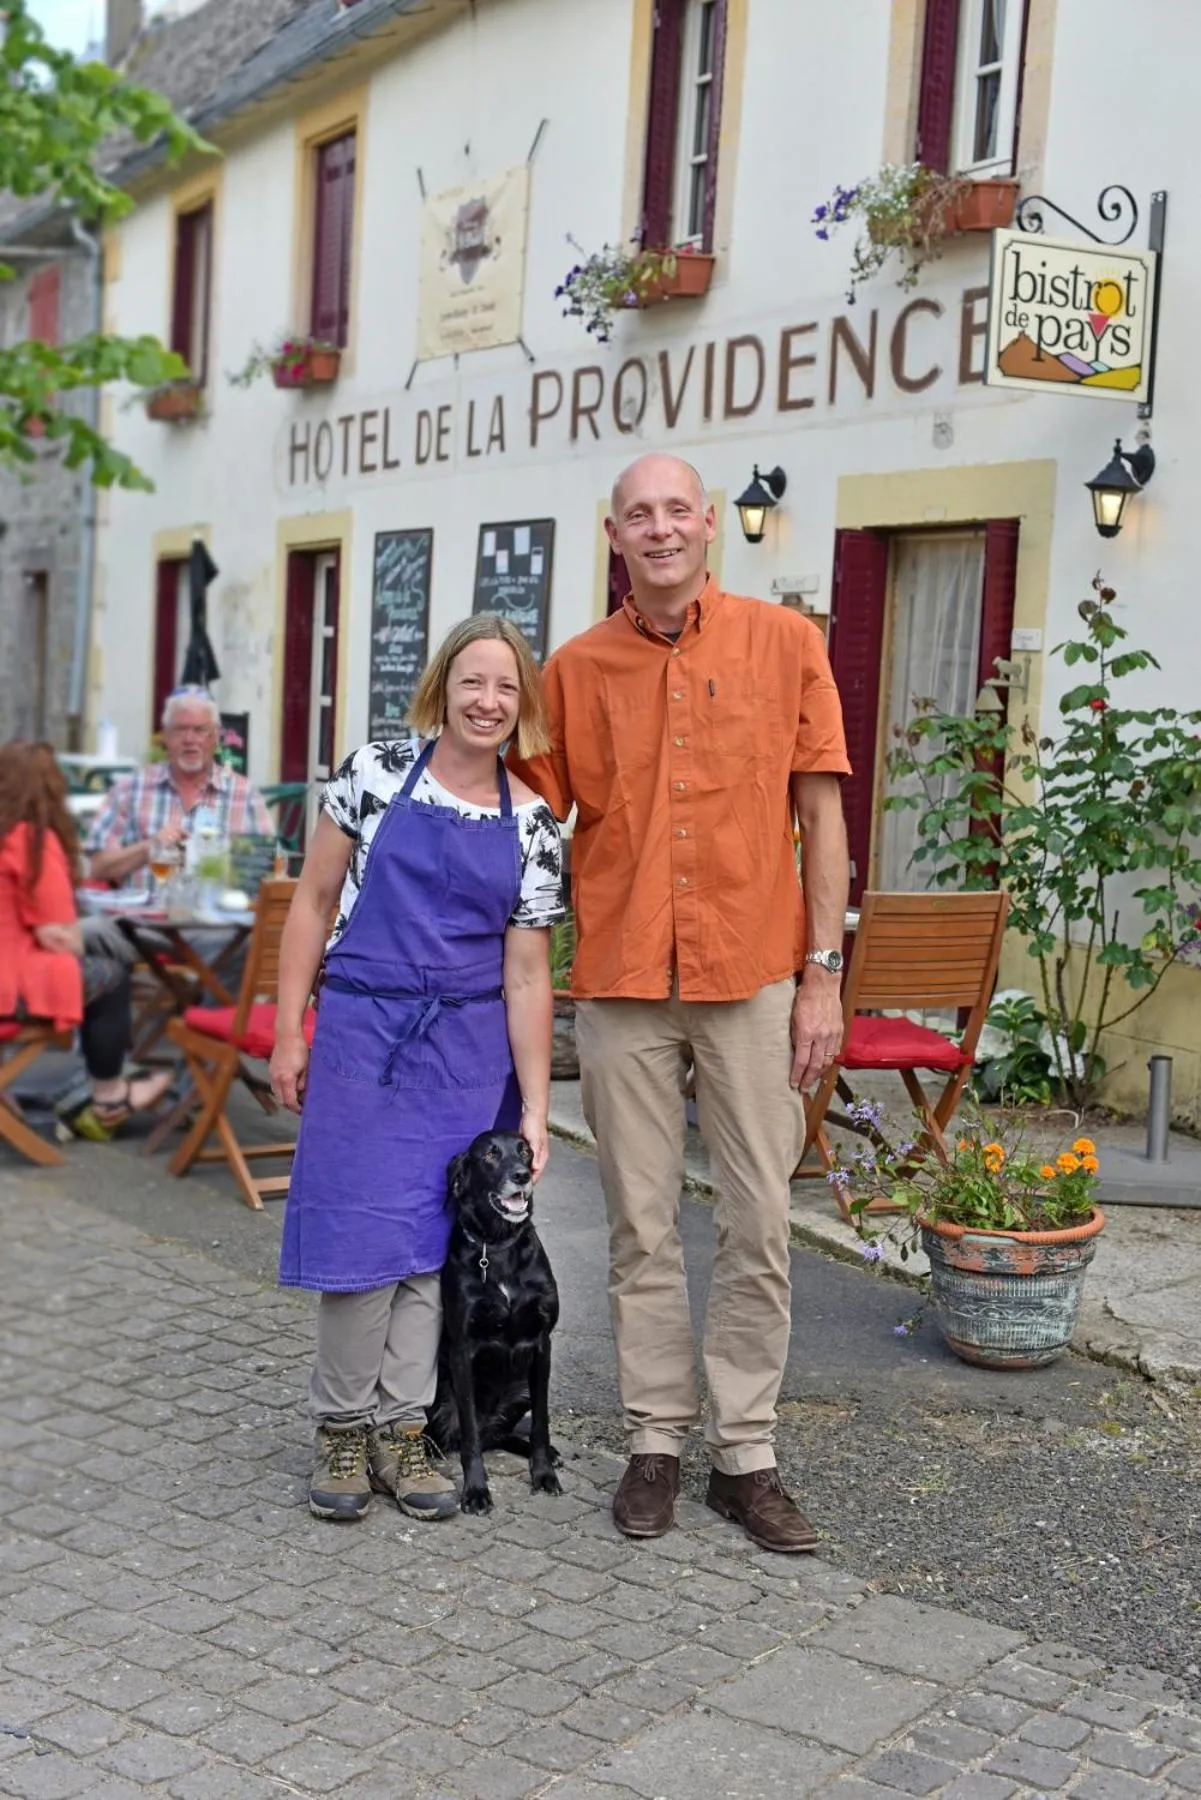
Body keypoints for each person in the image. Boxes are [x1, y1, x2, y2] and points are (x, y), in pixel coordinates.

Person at [508, 453, 851, 1554]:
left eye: (675, 511)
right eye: (637, 515)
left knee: (758, 1216)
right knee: (639, 1224)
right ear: (613, 533)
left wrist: (822, 973)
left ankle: (743, 1454)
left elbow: (823, 817)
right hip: (619, 979)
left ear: (709, 525)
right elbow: (524, 818)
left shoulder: (787, 646)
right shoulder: (573, 669)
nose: (658, 529)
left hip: (752, 973)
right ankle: (655, 1438)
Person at [270, 617, 565, 1524]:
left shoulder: (534, 825)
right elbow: (313, 900)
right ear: (442, 687)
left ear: (523, 707)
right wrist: (289, 1031)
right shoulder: (369, 774)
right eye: (473, 682)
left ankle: (406, 1431)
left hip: (467, 1058)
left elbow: (526, 974)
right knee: (360, 1243)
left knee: (436, 1247)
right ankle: (342, 1428)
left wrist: (537, 1109)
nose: (488, 702)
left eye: (507, 688)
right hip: (363, 1036)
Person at [0, 741, 174, 1132]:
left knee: (99, 957)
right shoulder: (30, 842)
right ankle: (109, 1095)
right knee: (110, 974)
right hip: (9, 984)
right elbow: (58, 938)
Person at [86, 685, 273, 892]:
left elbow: (266, 870)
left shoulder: (245, 795)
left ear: (216, 737)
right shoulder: (130, 789)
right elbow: (98, 867)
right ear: (165, 736)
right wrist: (151, 847)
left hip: (220, 920)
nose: (189, 740)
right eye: (180, 729)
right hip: (141, 920)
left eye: (200, 730)